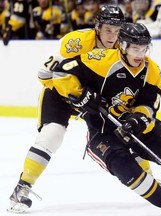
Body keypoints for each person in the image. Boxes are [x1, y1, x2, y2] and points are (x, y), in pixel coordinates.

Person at [51, 22, 161, 215]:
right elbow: (61, 70)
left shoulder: (152, 70)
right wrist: (81, 96)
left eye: (144, 48)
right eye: (135, 48)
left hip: (136, 127)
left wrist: (138, 119)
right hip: (103, 131)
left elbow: (150, 104)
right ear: (123, 46)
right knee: (125, 168)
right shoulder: (101, 60)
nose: (140, 54)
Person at [8, 5, 125, 213]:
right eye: (108, 29)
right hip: (59, 93)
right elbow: (44, 74)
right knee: (52, 135)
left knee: (122, 136)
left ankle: (149, 181)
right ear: (97, 27)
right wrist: (75, 94)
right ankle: (22, 187)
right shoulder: (76, 42)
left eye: (117, 31)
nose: (112, 36)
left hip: (93, 100)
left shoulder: (122, 49)